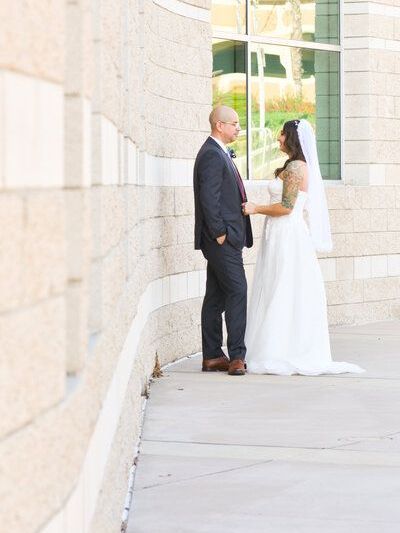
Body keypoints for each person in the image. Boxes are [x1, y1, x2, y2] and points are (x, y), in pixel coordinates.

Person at [243, 119, 364, 376]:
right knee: (277, 284)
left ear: (292, 139)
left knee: (282, 286)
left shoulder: (297, 166)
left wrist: (256, 208)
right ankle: (275, 346)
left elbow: (286, 207)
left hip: (287, 234)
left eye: (282, 134)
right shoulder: (295, 165)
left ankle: (278, 350)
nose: (278, 138)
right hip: (278, 233)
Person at [193, 105, 253, 376]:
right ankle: (237, 356)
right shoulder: (211, 155)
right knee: (238, 291)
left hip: (224, 240)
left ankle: (213, 355)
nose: (238, 128)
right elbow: (209, 198)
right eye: (235, 124)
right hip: (220, 240)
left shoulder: (218, 152)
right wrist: (220, 234)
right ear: (220, 125)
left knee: (216, 296)